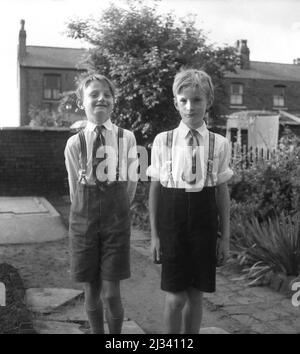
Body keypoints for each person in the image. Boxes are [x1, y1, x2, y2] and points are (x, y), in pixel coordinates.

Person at [148, 68, 233, 334]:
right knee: (176, 297)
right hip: (172, 225)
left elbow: (221, 193)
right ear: (175, 102)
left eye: (197, 100)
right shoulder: (164, 141)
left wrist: (225, 238)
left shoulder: (219, 144)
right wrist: (154, 236)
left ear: (208, 101)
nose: (190, 106)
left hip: (204, 225)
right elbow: (155, 190)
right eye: (183, 100)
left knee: (196, 296)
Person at [64, 73, 138, 334]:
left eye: (107, 95)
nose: (101, 99)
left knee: (110, 292)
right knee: (91, 290)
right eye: (93, 94)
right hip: (84, 223)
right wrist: (85, 213)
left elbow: (130, 182)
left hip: (116, 223)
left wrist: (116, 209)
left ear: (114, 102)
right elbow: (75, 186)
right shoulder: (75, 143)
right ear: (81, 101)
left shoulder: (125, 138)